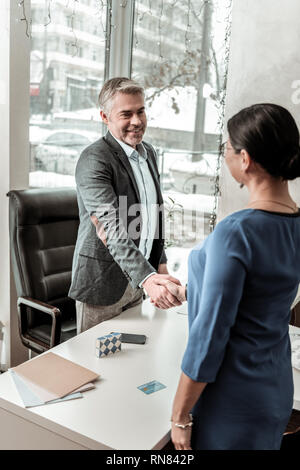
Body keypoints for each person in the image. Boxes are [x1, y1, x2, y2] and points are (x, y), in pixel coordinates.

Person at [165, 103, 300, 450]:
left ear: (246, 159)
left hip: (231, 397)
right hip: (275, 387)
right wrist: (196, 290)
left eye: (227, 146)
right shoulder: (294, 225)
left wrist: (180, 414)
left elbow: (209, 338)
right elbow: (262, 293)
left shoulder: (236, 232)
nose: (224, 154)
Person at [69, 77, 182, 333]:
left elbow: (152, 213)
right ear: (105, 117)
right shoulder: (94, 159)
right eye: (126, 114)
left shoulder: (148, 152)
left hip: (139, 281)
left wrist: (159, 264)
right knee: (96, 363)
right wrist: (148, 277)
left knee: (133, 357)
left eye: (141, 111)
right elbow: (111, 226)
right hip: (102, 283)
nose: (137, 121)